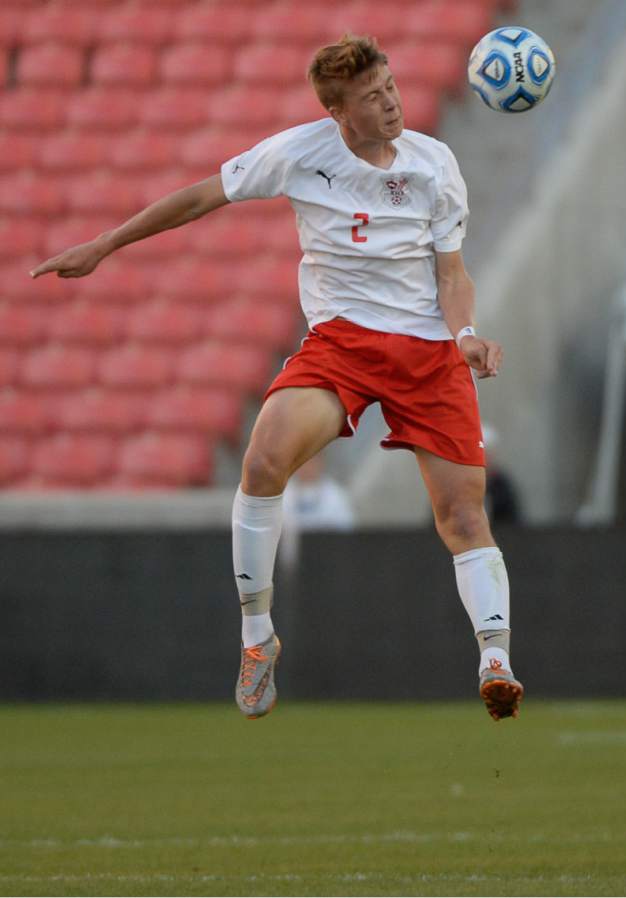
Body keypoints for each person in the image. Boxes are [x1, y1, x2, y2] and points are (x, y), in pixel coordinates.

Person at [30, 34, 523, 724]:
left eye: (391, 88)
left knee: (463, 514)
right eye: (373, 97)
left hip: (428, 352)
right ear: (337, 111)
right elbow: (202, 197)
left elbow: (451, 273)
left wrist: (467, 336)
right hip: (343, 344)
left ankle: (494, 660)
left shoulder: (435, 163)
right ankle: (258, 638)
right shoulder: (298, 153)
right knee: (262, 461)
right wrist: (106, 244)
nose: (391, 103)